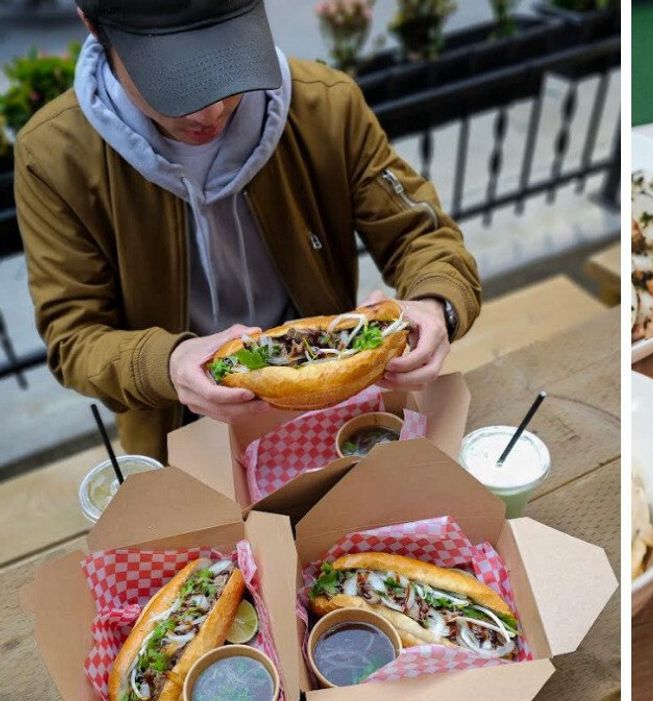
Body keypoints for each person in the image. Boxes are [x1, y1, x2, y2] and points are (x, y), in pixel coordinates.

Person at [13, 0, 481, 460]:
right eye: (172, 82)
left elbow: (421, 236)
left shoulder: (326, 105)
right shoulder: (55, 158)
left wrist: (434, 304)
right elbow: (74, 336)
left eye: (226, 64)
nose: (210, 112)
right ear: (93, 26)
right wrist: (167, 364)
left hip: (335, 405)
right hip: (178, 426)